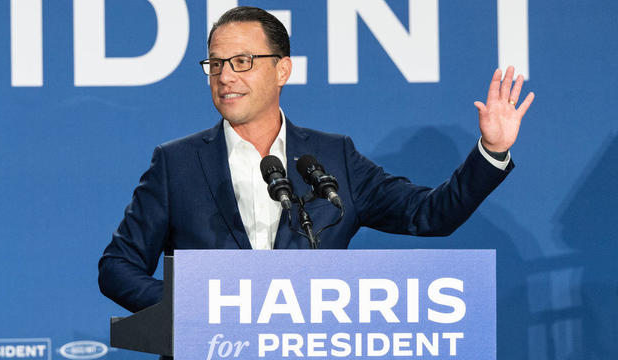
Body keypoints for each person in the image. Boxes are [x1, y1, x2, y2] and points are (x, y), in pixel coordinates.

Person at [99, 6, 534, 313]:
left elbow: (429, 215)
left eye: (242, 61)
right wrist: (196, 308)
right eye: (215, 64)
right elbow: (118, 267)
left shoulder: (332, 158)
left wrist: (491, 151)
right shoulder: (176, 163)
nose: (225, 76)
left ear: (282, 70)